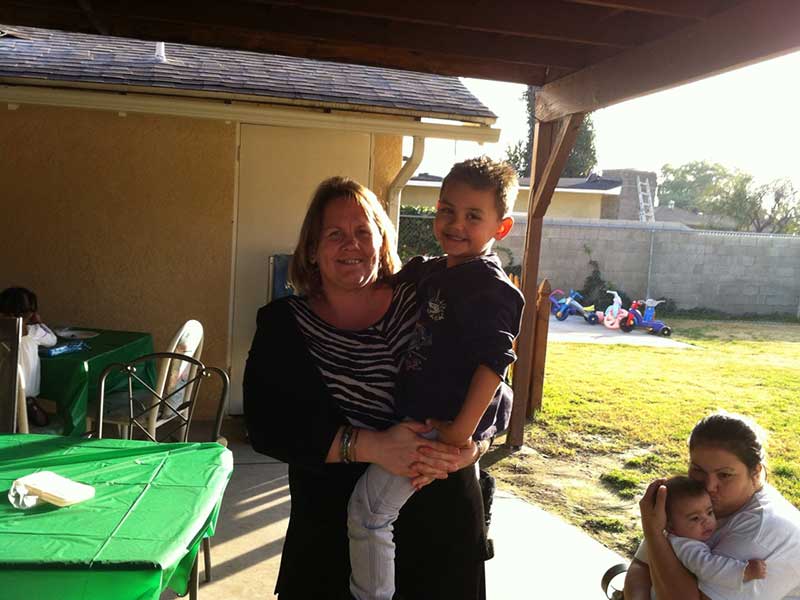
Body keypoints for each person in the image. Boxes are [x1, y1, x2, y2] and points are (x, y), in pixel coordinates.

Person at [243, 176, 492, 599]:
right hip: (333, 545)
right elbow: (267, 426)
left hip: (442, 534)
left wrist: (471, 445)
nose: (351, 244)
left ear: (382, 240)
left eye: (363, 231)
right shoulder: (282, 325)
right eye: (334, 234)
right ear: (311, 249)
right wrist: (372, 447)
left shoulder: (430, 298)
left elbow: (494, 383)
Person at [347, 157, 524, 600]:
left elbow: (495, 363)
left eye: (473, 216)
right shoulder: (433, 270)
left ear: (501, 228)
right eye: (447, 210)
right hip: (421, 418)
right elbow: (387, 283)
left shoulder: (492, 289)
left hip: (439, 425)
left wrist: (460, 433)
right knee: (375, 514)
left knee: (369, 513)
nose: (456, 224)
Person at [625, 411, 800, 600]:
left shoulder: (762, 531)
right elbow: (641, 566)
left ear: (756, 472)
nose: (709, 486)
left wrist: (654, 533)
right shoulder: (697, 501)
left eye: (724, 475)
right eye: (698, 470)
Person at [661, 475, 766, 591]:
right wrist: (743, 572)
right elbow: (707, 567)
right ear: (670, 527)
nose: (707, 521)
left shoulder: (685, 535)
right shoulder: (684, 546)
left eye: (710, 512)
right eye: (695, 518)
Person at [0, 287, 56, 426]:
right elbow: (52, 340)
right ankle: (26, 408)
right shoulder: (34, 331)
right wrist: (40, 323)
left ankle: (12, 416)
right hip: (26, 389)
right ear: (30, 313)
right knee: (22, 399)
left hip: (3, 389)